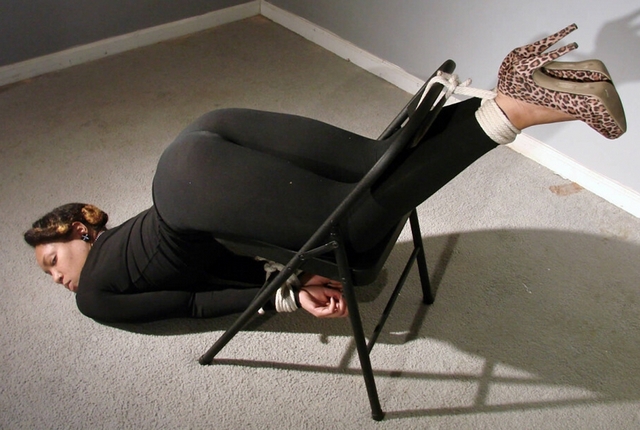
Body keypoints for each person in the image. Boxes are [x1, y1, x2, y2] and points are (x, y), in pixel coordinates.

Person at [24, 24, 626, 324]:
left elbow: (192, 304)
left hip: (190, 190)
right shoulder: (128, 239)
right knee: (373, 162)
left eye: (52, 260)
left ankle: (511, 109)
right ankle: (528, 93)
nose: (56, 278)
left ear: (81, 231)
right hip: (201, 145)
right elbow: (217, 251)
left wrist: (284, 297)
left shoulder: (96, 296)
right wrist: (284, 278)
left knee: (356, 230)